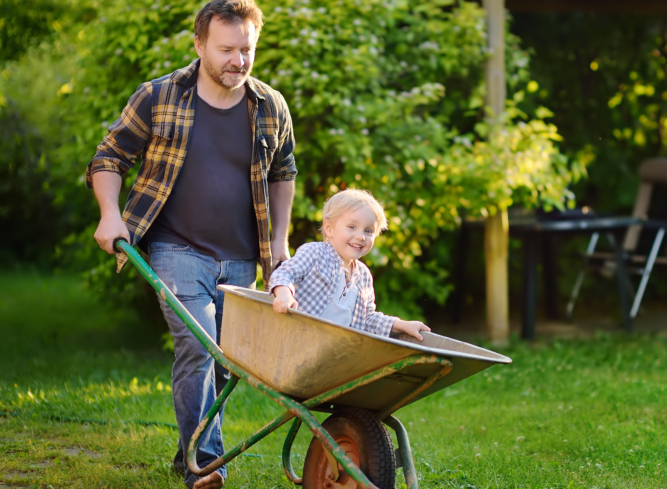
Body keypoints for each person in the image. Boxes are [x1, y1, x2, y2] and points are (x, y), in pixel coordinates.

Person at [86, 0, 294, 487]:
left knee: (224, 367)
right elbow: (109, 157)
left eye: (247, 50)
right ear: (199, 44)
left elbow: (283, 173)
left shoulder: (270, 106)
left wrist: (280, 243)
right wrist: (110, 215)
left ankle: (189, 455)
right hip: (174, 250)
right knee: (199, 349)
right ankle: (207, 465)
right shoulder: (158, 97)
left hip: (243, 258)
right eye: (226, 49)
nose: (238, 61)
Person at [270, 189, 431, 341]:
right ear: (329, 228)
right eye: (352, 227)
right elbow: (285, 273)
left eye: (368, 231)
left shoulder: (364, 275)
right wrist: (284, 294)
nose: (361, 236)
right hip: (297, 339)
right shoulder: (314, 253)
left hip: (332, 353)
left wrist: (403, 325)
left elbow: (367, 320)